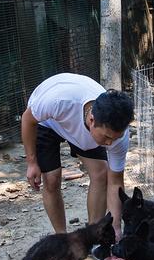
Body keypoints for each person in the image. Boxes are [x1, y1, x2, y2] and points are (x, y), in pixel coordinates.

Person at [21, 73, 134, 238]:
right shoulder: (58, 101)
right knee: (52, 179)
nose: (110, 144)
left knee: (101, 174)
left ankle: (94, 234)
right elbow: (27, 119)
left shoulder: (117, 135)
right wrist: (32, 162)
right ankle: (62, 239)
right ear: (92, 120)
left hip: (79, 129)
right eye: (107, 137)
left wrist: (116, 226)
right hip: (47, 122)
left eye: (114, 138)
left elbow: (116, 182)